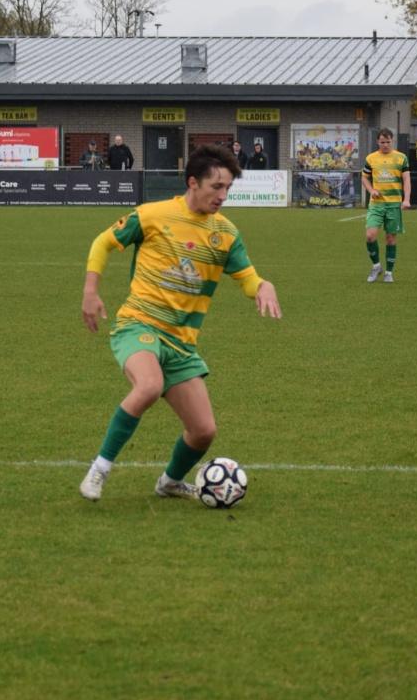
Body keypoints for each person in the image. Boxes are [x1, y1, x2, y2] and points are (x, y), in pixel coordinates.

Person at [78, 144, 282, 502]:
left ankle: (170, 482)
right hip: (139, 325)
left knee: (203, 431)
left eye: (227, 188)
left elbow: (247, 279)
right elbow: (103, 243)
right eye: (216, 187)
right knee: (148, 386)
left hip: (181, 343)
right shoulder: (153, 215)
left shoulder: (226, 234)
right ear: (192, 182)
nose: (223, 195)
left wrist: (263, 285)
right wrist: (90, 291)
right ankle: (100, 468)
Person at [361, 128, 411, 283]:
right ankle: (376, 266)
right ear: (378, 141)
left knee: (390, 238)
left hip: (394, 204)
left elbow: (406, 179)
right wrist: (371, 190)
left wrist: (406, 199)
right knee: (370, 236)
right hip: (376, 204)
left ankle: (389, 272)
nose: (385, 145)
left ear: (392, 141)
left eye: (388, 142)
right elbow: (364, 178)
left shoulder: (401, 158)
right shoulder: (371, 158)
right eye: (382, 142)